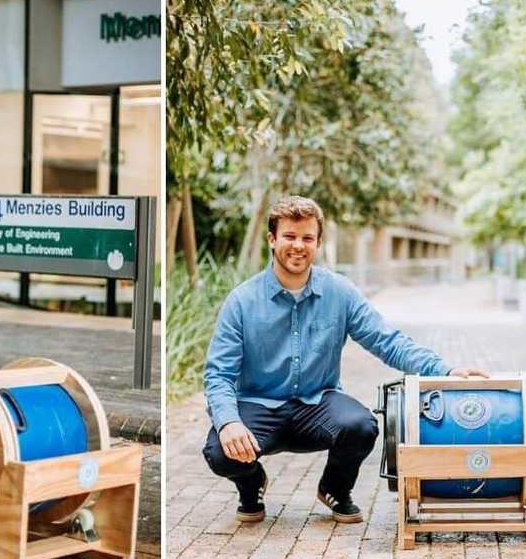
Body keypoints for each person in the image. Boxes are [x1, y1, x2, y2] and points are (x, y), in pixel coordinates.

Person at [202, 196, 489, 523]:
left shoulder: (340, 292)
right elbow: (219, 375)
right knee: (219, 450)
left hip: (317, 403)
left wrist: (445, 370)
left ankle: (335, 488)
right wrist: (228, 422)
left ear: (319, 243)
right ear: (272, 239)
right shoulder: (242, 300)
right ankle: (251, 484)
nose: (299, 246)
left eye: (307, 238)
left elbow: (387, 341)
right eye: (290, 236)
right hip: (259, 405)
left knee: (362, 425)